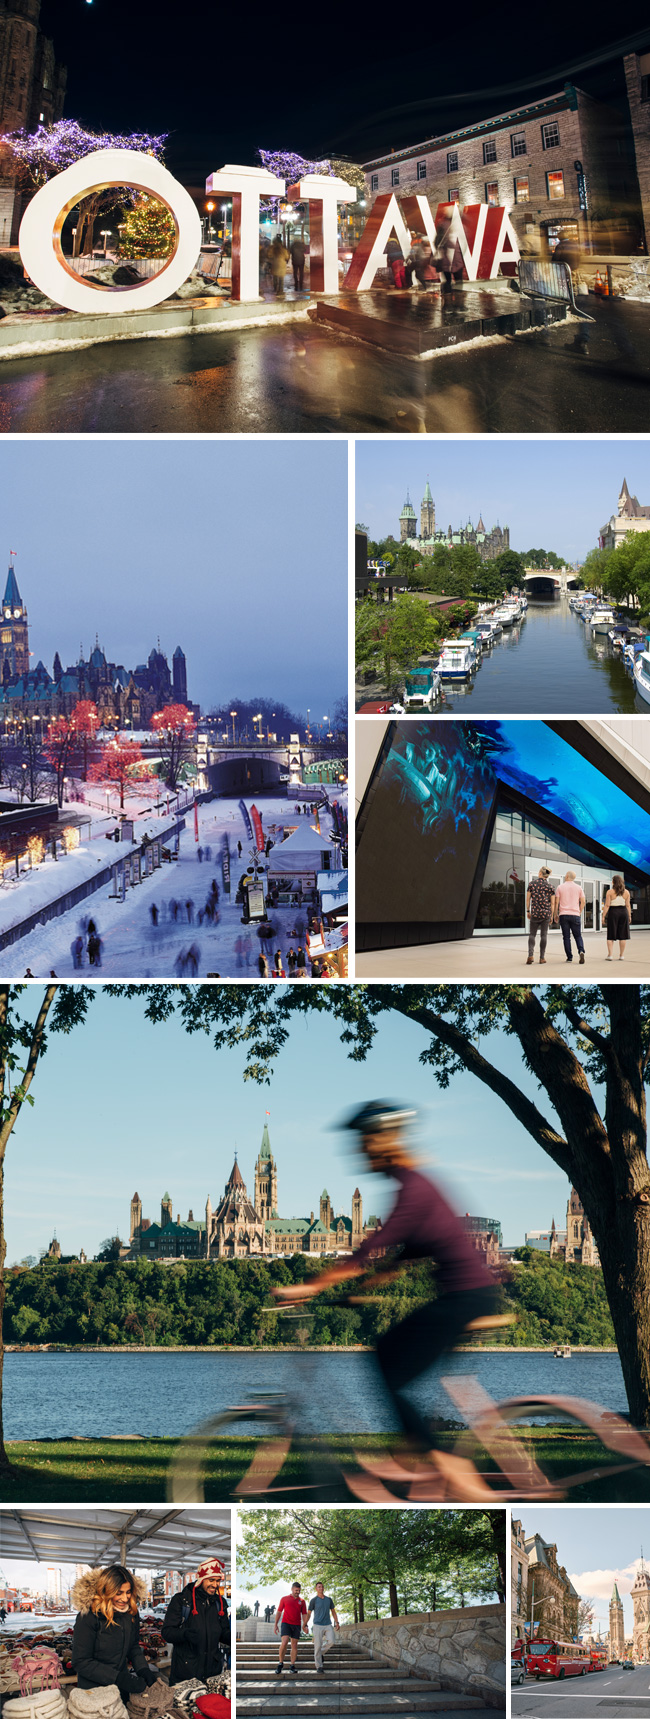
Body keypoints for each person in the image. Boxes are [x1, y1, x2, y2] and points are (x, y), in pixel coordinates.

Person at [273, 1101, 499, 1494]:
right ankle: (414, 1450)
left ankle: (450, 1471)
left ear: (384, 1143)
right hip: (469, 1294)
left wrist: (309, 1287)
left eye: (365, 1143)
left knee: (387, 1364)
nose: (361, 1152)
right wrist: (363, 1290)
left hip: (466, 1296)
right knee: (397, 1370)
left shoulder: (413, 1188)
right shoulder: (414, 1185)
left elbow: (368, 1251)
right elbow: (401, 1254)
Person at [72, 1565, 158, 1695]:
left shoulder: (131, 1613)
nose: (125, 1598)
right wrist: (118, 1678)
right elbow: (81, 1662)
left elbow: (133, 1647)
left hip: (121, 1687)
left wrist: (143, 1669)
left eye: (128, 1592)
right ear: (106, 1591)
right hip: (93, 1690)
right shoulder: (89, 1616)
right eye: (119, 1593)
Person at [162, 1558, 229, 1686]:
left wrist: (229, 1637)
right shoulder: (181, 1600)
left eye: (218, 1581)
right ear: (201, 1579)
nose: (215, 1585)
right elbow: (167, 1632)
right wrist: (184, 1634)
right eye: (211, 1580)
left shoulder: (220, 1603)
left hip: (212, 1673)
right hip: (186, 1673)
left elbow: (223, 1632)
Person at [274, 1583, 308, 1675]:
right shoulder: (284, 1599)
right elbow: (279, 1612)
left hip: (296, 1625)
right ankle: (280, 1663)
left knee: (294, 1645)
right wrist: (276, 1624)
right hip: (286, 1623)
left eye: (299, 1591)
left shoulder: (302, 1601)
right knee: (284, 1642)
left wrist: (305, 1625)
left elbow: (304, 1614)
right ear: (292, 1589)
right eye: (296, 1590)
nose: (298, 1592)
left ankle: (292, 1665)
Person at [554, 870, 586, 964]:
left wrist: (555, 914)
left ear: (567, 876)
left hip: (563, 915)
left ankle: (569, 957)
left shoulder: (560, 887)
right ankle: (581, 951)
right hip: (575, 915)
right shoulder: (579, 888)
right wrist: (579, 911)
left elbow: (556, 902)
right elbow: (583, 902)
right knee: (578, 935)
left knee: (566, 937)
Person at [525, 867, 555, 966]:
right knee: (544, 935)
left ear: (540, 874)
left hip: (535, 913)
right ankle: (542, 958)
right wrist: (551, 915)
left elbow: (528, 899)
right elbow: (553, 903)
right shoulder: (550, 886)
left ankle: (530, 955)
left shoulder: (532, 884)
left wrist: (528, 910)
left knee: (532, 934)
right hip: (546, 914)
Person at [307, 1584, 339, 1674]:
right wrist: (305, 1624)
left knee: (332, 1641)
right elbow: (309, 1613)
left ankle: (320, 1653)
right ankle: (319, 1666)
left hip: (328, 1624)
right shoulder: (313, 1600)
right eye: (319, 1587)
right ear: (316, 1589)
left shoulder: (329, 1600)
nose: (321, 1588)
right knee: (317, 1645)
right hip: (317, 1625)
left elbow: (333, 1611)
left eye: (322, 1586)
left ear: (323, 1588)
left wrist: (337, 1622)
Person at [603, 873, 631, 961]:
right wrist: (629, 915)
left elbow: (607, 905)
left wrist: (603, 916)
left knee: (611, 934)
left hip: (613, 912)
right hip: (623, 912)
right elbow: (628, 905)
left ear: (614, 882)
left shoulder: (610, 892)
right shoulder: (626, 892)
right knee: (623, 935)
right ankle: (621, 955)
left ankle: (610, 955)